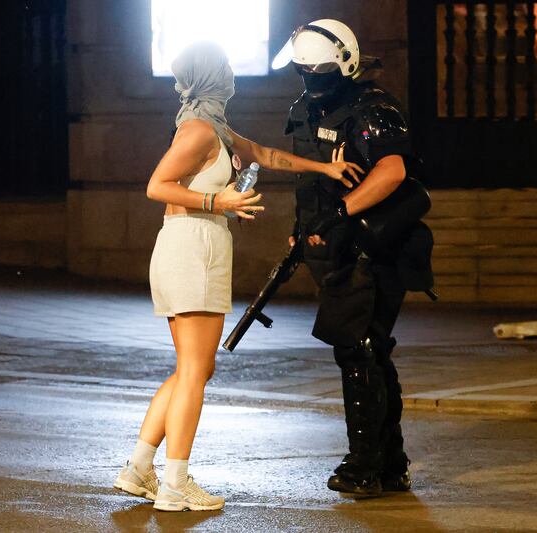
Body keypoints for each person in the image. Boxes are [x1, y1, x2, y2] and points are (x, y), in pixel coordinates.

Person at [113, 42, 363, 512]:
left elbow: (265, 154)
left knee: (192, 368)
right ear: (212, 77)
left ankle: (139, 468)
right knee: (195, 371)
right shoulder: (199, 131)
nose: (231, 74)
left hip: (189, 247)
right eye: (225, 68)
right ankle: (175, 484)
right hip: (194, 249)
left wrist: (324, 168)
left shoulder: (216, 130)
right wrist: (219, 201)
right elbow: (156, 186)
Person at [272, 20, 434, 496]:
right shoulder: (308, 107)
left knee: (359, 349)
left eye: (316, 71)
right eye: (302, 70)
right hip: (332, 247)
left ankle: (364, 464)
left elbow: (392, 171)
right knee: (369, 349)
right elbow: (311, 180)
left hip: (373, 248)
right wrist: (304, 228)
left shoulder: (373, 108)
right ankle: (390, 463)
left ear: (343, 64)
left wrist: (340, 212)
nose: (308, 78)